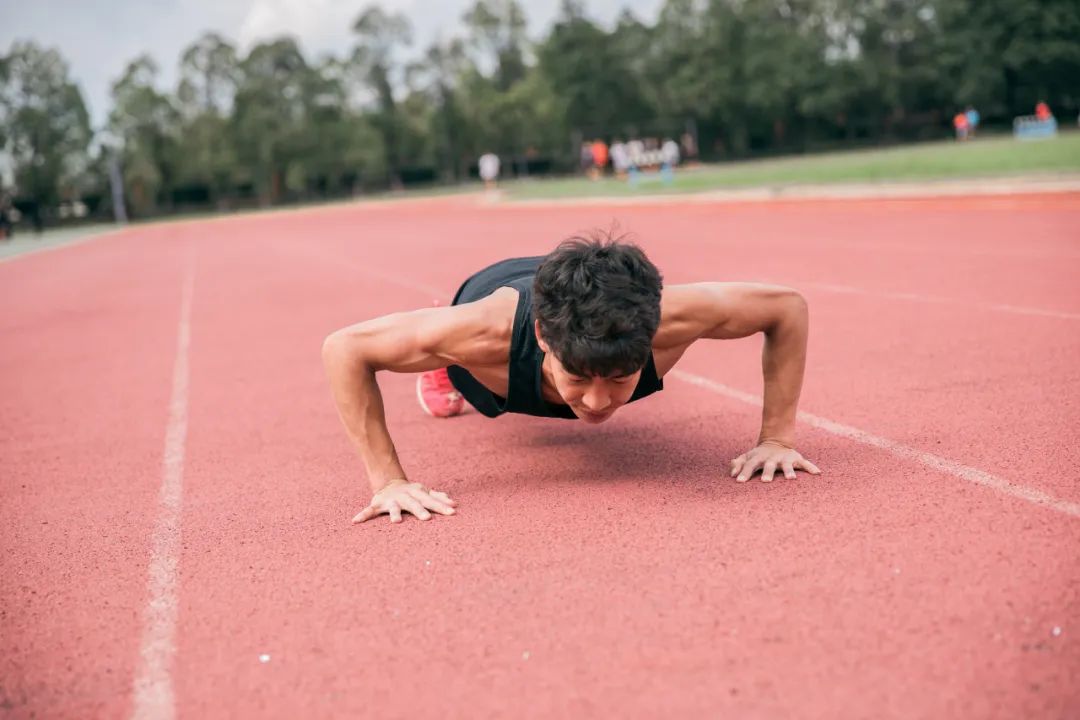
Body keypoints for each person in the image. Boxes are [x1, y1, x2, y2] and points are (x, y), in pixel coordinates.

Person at [322, 233, 821, 525]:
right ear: (543, 337)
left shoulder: (671, 318)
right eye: (578, 378)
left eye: (620, 379)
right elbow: (344, 348)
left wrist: (777, 439)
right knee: (450, 350)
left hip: (584, 294)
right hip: (488, 300)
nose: (598, 403)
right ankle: (441, 365)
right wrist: (388, 482)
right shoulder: (482, 333)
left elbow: (786, 308)